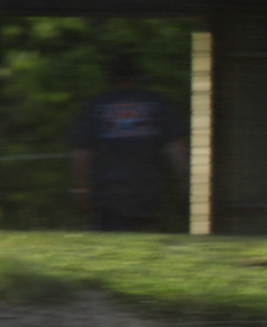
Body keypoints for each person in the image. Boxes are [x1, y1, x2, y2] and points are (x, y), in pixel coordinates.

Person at [67, 53, 190, 232]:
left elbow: (81, 153)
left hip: (107, 195)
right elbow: (178, 148)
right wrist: (186, 183)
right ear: (139, 76)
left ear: (110, 78)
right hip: (148, 192)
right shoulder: (157, 102)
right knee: (145, 247)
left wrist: (80, 189)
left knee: (109, 249)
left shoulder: (95, 105)